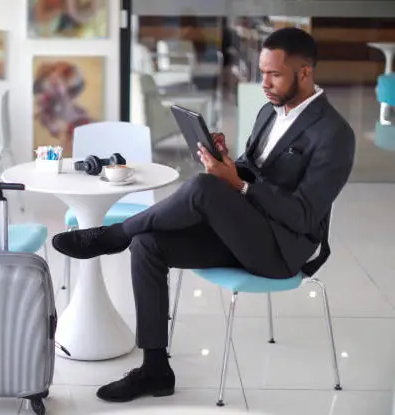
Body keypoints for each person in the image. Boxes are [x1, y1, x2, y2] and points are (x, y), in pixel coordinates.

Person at [51, 27, 356, 402]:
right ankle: (155, 370)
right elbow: (252, 168)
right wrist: (229, 164)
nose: (264, 83)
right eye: (261, 72)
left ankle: (114, 236)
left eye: (274, 74)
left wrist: (236, 184)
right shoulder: (268, 112)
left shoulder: (334, 134)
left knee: (203, 188)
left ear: (305, 73)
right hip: (247, 229)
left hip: (283, 250)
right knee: (148, 243)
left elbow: (305, 215)